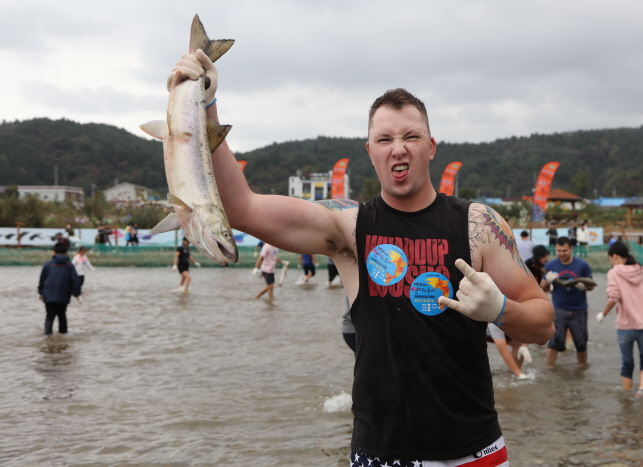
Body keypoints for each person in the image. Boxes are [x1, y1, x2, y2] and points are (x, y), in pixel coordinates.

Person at [171, 50, 553, 464]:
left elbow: (543, 324)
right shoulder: (348, 228)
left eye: (411, 136)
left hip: (475, 452)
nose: (399, 149)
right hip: (381, 453)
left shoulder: (478, 225)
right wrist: (204, 104)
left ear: (431, 147)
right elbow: (242, 207)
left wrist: (499, 309)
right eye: (386, 139)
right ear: (370, 150)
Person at [596, 241, 643, 398]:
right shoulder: (642, 270)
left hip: (625, 325)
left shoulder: (614, 272)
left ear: (615, 256)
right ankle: (641, 391)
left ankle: (626, 397)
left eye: (610, 259)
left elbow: (613, 297)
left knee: (627, 363)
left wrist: (603, 314)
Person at [541, 237, 595, 367]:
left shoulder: (582, 265)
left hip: (579, 310)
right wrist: (548, 280)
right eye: (559, 251)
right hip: (559, 310)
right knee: (553, 343)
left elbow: (592, 285)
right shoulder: (551, 265)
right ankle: (550, 369)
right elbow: (543, 288)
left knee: (581, 344)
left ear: (571, 248)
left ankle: (582, 368)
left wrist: (585, 286)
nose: (561, 253)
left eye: (564, 250)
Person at [38, 242, 82, 335]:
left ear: (54, 252)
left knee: (49, 316)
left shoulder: (48, 265)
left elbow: (42, 279)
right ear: (66, 253)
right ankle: (63, 336)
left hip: (48, 295)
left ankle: (48, 337)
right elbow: (75, 280)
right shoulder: (69, 265)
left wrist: (40, 292)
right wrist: (77, 294)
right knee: (62, 315)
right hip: (64, 295)